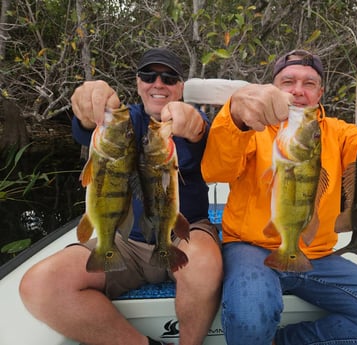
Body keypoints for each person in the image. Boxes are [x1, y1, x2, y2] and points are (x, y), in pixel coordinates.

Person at [201, 49, 357, 345]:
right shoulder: (251, 128)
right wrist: (235, 116)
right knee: (249, 317)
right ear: (273, 87)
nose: (298, 91)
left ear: (321, 93)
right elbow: (215, 171)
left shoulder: (338, 133)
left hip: (317, 252)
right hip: (250, 246)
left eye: (309, 83)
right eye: (288, 81)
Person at [19, 48, 223, 345]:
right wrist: (91, 106)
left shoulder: (195, 119)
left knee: (203, 264)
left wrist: (195, 126)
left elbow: (201, 134)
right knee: (39, 286)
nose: (158, 83)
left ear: (180, 86)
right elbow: (86, 128)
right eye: (148, 75)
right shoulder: (121, 121)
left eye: (168, 78)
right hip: (123, 239)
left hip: (184, 232)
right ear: (138, 82)